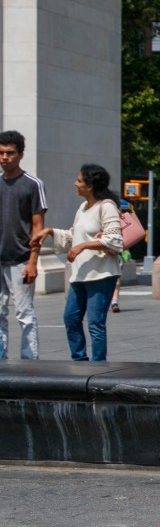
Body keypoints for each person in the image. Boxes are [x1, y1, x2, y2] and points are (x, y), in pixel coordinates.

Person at [32, 164, 123, 362]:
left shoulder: (106, 206)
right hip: (80, 274)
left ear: (90, 185)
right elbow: (74, 236)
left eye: (79, 180)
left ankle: (98, 365)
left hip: (101, 275)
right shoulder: (83, 208)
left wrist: (84, 246)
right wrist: (50, 231)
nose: (75, 183)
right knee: (71, 318)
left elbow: (115, 240)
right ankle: (79, 360)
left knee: (95, 323)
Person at [0, 130, 47, 359]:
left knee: (24, 313)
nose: (4, 158)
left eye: (10, 153)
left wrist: (33, 262)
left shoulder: (33, 184)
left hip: (20, 259)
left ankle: (31, 363)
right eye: (1, 153)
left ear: (20, 154)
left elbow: (38, 228)